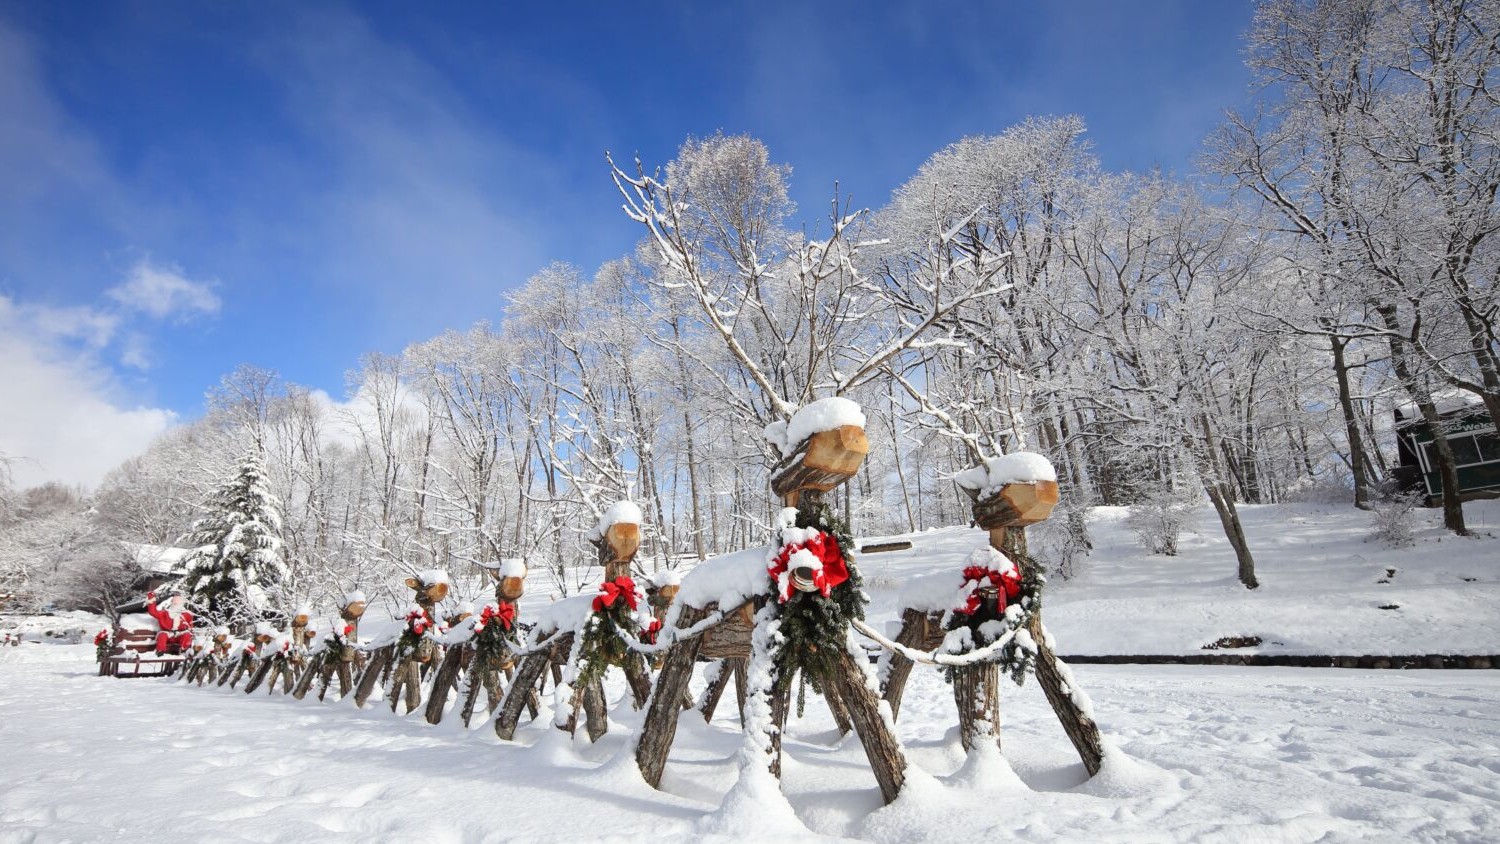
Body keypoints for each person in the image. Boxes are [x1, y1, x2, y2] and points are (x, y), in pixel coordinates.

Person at [145, 590, 194, 655]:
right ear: (172, 603)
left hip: (180, 634)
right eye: (175, 602)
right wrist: (151, 598)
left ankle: (184, 651)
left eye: (179, 602)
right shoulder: (165, 613)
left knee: (187, 634)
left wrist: (191, 633)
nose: (177, 603)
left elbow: (190, 627)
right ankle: (160, 651)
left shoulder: (186, 615)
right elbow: (153, 612)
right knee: (162, 635)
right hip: (168, 634)